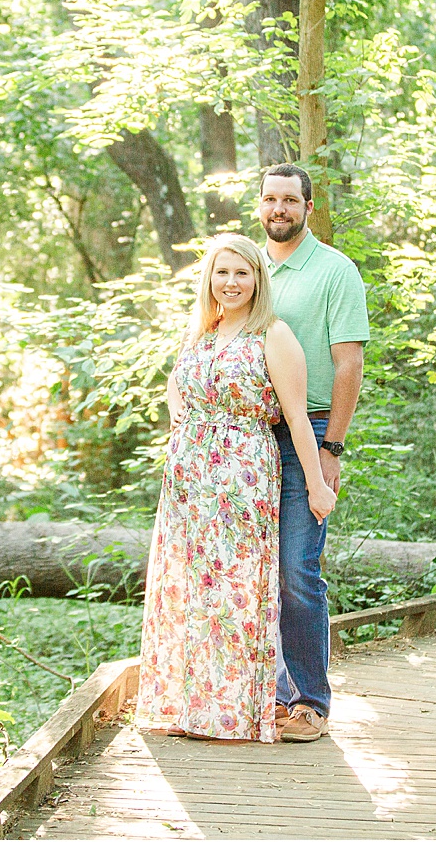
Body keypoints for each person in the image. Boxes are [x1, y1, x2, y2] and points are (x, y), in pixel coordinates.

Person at [134, 234, 335, 742]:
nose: (231, 283)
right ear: (209, 279)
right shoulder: (202, 332)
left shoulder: (274, 335)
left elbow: (295, 418)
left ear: (257, 279)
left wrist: (317, 485)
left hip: (242, 479)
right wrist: (183, 426)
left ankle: (240, 710)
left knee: (237, 590)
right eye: (222, 273)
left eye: (242, 273)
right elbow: (176, 387)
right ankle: (194, 707)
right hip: (190, 482)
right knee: (194, 587)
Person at [258, 163, 369, 743]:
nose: (279, 209)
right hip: (250, 433)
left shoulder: (335, 272)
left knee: (298, 568)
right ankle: (267, 693)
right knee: (256, 568)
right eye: (270, 199)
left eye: (290, 201)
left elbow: (348, 363)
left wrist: (331, 448)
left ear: (307, 206)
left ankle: (309, 701)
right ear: (260, 205)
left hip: (315, 426)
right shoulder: (248, 268)